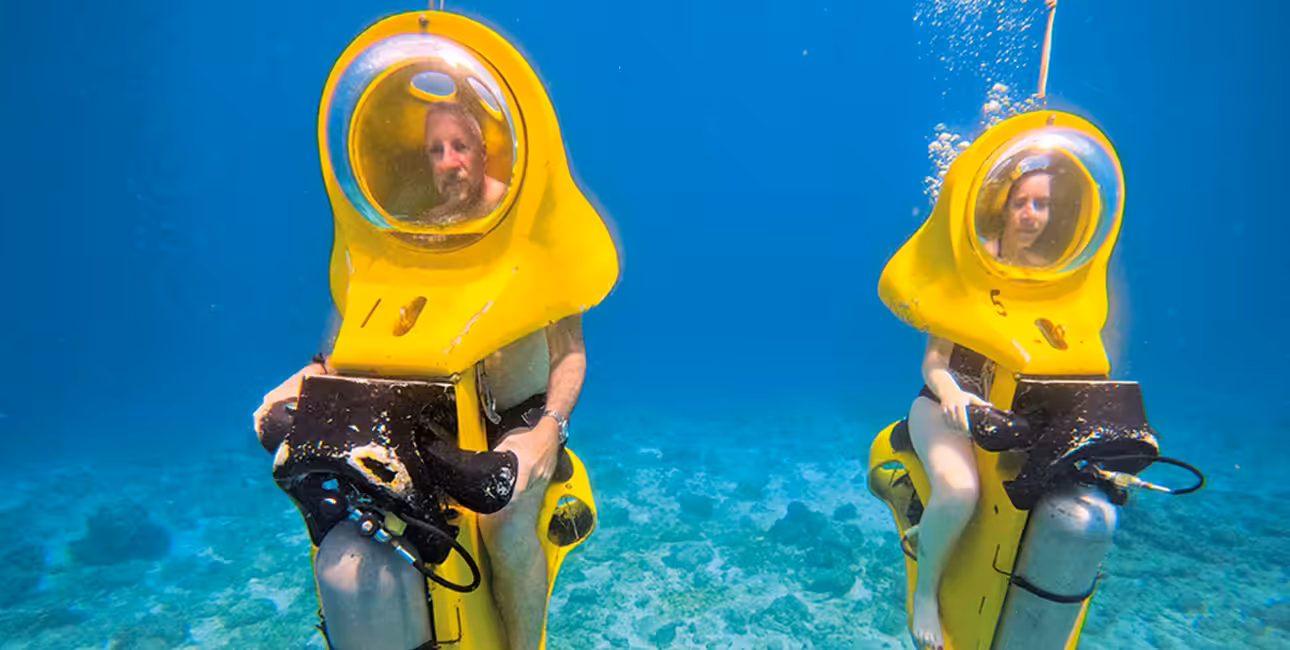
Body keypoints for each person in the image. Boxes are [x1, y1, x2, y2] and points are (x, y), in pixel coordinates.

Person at [253, 315, 585, 650]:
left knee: (507, 521)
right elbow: (337, 348)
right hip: (415, 408)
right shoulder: (362, 275)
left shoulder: (544, 275)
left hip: (514, 411)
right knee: (345, 503)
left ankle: (525, 645)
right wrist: (304, 379)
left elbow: (569, 351)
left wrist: (551, 427)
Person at [907, 165, 1056, 650]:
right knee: (960, 490)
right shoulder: (970, 270)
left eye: (1042, 203)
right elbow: (934, 362)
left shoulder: (1052, 278)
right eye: (1021, 202)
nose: (1031, 214)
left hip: (1003, 421)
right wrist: (953, 395)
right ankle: (925, 595)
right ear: (1002, 208)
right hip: (940, 409)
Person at [417, 101, 509, 227]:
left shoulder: (513, 204)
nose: (447, 164)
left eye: (460, 147)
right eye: (436, 150)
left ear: (483, 153)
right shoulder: (432, 222)